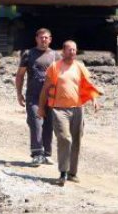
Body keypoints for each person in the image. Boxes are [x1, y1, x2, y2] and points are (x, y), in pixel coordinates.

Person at [38, 40, 101, 186]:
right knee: (65, 139)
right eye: (69, 50)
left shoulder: (80, 67)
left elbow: (88, 85)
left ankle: (73, 173)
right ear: (63, 51)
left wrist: (94, 99)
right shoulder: (54, 67)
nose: (72, 52)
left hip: (78, 109)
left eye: (74, 50)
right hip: (59, 110)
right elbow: (45, 90)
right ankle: (63, 172)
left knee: (76, 141)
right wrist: (41, 108)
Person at [15, 28, 61, 165]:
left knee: (49, 125)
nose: (44, 40)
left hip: (51, 97)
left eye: (46, 37)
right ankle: (36, 153)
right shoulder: (28, 54)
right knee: (36, 122)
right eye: (41, 37)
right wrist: (19, 93)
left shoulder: (56, 56)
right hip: (33, 97)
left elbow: (62, 77)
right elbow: (20, 75)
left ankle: (46, 154)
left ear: (50, 39)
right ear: (36, 39)